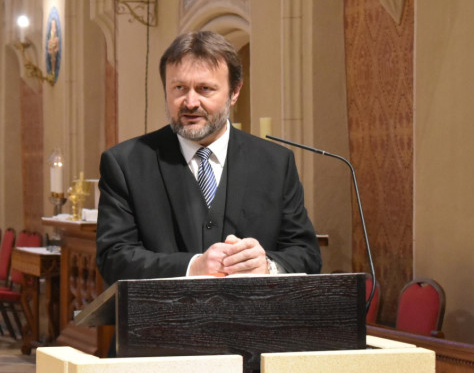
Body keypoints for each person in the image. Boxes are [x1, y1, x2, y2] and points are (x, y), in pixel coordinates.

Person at [96, 31, 321, 285]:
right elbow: (113, 258)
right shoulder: (125, 164)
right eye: (179, 88)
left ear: (234, 92)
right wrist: (192, 267)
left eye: (205, 89)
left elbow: (307, 255)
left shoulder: (275, 163)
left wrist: (267, 266)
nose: (191, 102)